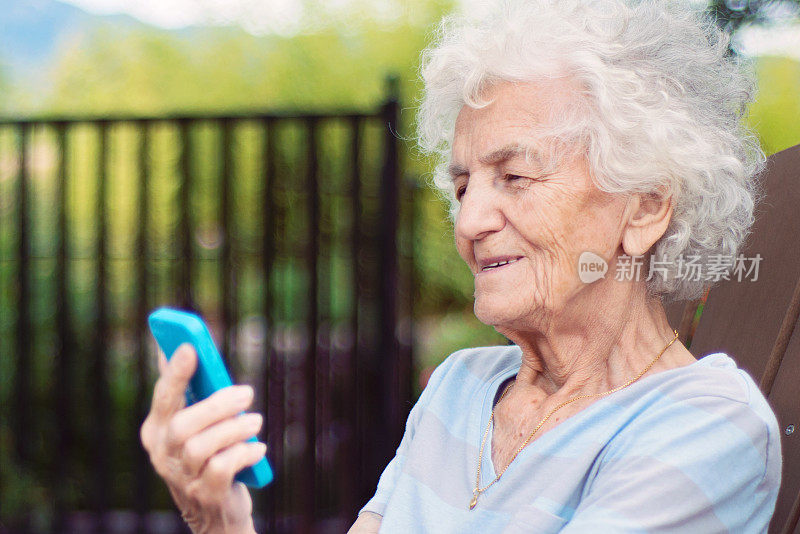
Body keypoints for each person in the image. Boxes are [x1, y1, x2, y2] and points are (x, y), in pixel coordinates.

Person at [141, 0, 782, 532]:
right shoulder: (460, 388)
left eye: (515, 175)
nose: (471, 222)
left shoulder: (705, 427)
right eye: (463, 187)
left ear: (644, 208)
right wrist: (223, 522)